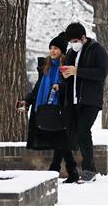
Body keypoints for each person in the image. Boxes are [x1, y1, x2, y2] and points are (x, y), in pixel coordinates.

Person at [19, 35, 75, 180]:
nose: (52, 51)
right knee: (60, 140)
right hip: (45, 108)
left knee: (61, 138)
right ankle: (67, 170)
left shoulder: (67, 66)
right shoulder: (46, 67)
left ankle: (57, 170)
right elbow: (38, 87)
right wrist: (27, 101)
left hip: (61, 108)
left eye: (55, 48)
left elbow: (70, 86)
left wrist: (60, 87)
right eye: (51, 48)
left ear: (62, 50)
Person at [60, 23, 108, 184]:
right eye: (70, 42)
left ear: (83, 37)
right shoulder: (70, 52)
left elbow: (102, 73)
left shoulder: (97, 50)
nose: (73, 44)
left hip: (90, 100)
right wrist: (65, 75)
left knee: (83, 132)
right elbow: (69, 73)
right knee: (73, 135)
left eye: (75, 40)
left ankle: (89, 170)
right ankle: (73, 172)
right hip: (72, 100)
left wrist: (77, 71)